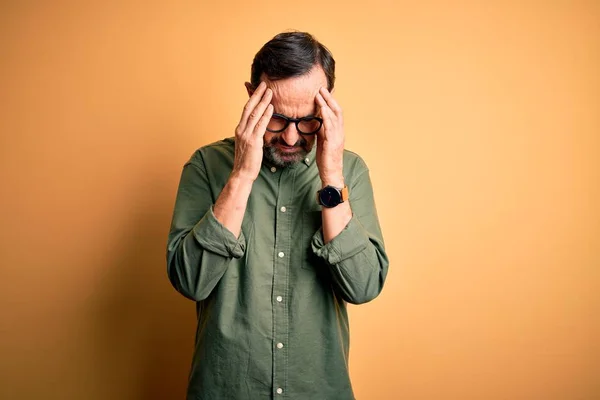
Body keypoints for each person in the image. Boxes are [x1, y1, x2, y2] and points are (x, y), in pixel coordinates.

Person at [167, 31, 389, 400]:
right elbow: (190, 281)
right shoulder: (206, 165)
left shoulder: (350, 171)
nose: (289, 137)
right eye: (277, 118)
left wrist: (331, 175)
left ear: (326, 108)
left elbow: (363, 286)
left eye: (307, 121)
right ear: (251, 96)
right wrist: (241, 175)